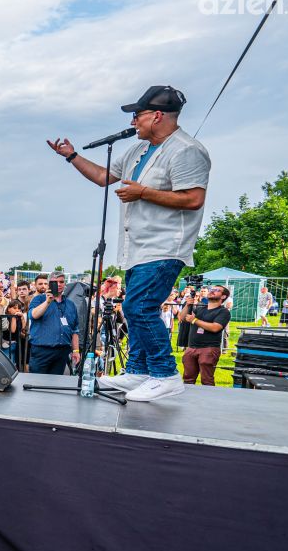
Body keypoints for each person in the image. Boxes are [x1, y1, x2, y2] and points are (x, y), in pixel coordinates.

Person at [48, 85, 211, 402]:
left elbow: (194, 198)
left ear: (157, 115)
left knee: (140, 307)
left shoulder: (186, 150)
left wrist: (143, 193)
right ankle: (138, 370)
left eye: (138, 115)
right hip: (136, 248)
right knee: (133, 309)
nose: (134, 121)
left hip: (165, 246)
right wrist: (72, 157)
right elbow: (102, 177)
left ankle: (165, 374)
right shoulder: (138, 151)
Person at [27, 272, 80, 375]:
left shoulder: (70, 304)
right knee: (37, 384)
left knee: (55, 385)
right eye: (55, 282)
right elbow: (33, 315)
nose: (59, 284)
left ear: (65, 284)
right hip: (42, 351)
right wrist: (47, 301)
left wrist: (76, 351)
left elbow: (75, 330)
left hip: (62, 352)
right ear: (49, 284)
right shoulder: (39, 299)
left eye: (61, 282)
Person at [180, 285, 231, 386]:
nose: (212, 291)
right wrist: (187, 305)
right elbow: (183, 318)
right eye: (212, 289)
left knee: (207, 380)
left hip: (209, 349)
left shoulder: (223, 312)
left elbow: (215, 327)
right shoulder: (200, 308)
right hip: (192, 348)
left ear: (223, 297)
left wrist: (194, 320)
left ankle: (208, 400)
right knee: (187, 379)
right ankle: (188, 399)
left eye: (217, 290)